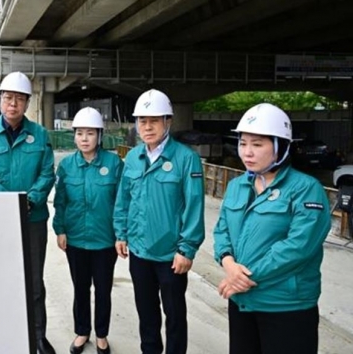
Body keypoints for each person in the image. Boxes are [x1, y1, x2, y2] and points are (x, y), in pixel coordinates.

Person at [213, 103, 331, 354]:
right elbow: (222, 230)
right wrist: (228, 263)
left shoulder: (306, 189)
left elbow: (298, 247)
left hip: (286, 306)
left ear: (281, 147)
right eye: (243, 143)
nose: (247, 152)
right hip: (243, 303)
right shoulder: (236, 186)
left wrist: (242, 278)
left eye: (257, 144)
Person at [113, 89, 205, 354]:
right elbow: (123, 200)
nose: (147, 126)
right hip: (140, 252)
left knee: (175, 316)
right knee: (147, 313)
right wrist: (121, 233)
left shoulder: (186, 159)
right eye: (142, 121)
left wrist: (186, 249)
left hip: (171, 256)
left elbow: (194, 206)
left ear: (168, 121)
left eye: (154, 120)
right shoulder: (132, 157)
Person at [0, 71, 56, 354]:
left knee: (33, 283)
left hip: (32, 220)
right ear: (0, 100)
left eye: (20, 99)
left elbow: (47, 173)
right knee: (0, 278)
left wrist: (29, 200)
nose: (13, 104)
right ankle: (4, 334)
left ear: (27, 103)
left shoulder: (40, 135)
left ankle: (37, 337)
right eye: (8, 98)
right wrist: (7, 202)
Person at [53, 107, 123, 354]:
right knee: (80, 289)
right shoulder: (67, 166)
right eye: (79, 133)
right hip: (76, 240)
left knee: (103, 291)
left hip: (105, 241)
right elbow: (60, 200)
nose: (84, 138)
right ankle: (82, 332)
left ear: (99, 136)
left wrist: (121, 234)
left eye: (90, 133)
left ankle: (101, 334)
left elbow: (122, 202)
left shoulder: (114, 164)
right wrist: (60, 229)